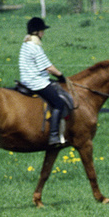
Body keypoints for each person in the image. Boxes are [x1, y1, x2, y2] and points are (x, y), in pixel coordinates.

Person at [19, 16, 71, 147]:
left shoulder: (25, 44)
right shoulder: (35, 47)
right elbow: (49, 67)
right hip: (36, 82)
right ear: (37, 32)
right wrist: (61, 76)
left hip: (26, 79)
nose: (43, 33)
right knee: (59, 103)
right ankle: (54, 136)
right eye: (42, 31)